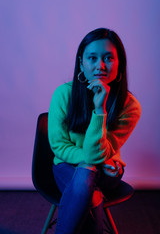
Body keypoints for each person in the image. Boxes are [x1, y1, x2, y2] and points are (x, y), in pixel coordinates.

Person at [48, 28, 141, 234]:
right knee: (93, 194)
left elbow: (99, 151)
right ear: (81, 62)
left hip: (106, 173)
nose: (100, 66)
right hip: (68, 166)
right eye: (92, 58)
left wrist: (100, 109)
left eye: (108, 58)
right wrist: (93, 160)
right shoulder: (63, 94)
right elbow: (59, 146)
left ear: (120, 64)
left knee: (89, 172)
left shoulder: (130, 106)